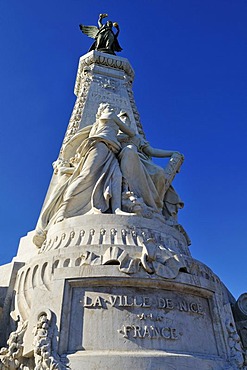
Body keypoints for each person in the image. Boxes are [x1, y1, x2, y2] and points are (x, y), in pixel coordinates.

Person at [117, 111, 184, 220]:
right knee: (130, 150)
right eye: (123, 120)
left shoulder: (136, 137)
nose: (126, 122)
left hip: (140, 160)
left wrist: (172, 153)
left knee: (159, 172)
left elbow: (152, 151)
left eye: (127, 120)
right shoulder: (114, 134)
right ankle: (127, 193)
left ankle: (153, 204)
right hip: (121, 156)